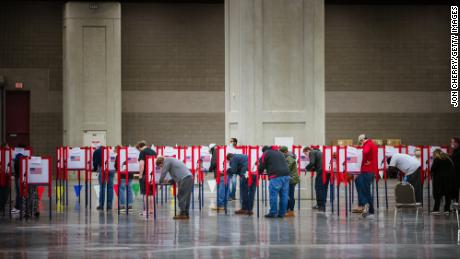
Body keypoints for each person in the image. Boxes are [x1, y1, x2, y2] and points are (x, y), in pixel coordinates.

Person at [258, 146, 290, 218]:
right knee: (284, 195)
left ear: (264, 151)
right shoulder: (279, 152)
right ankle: (282, 213)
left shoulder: (266, 153)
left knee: (273, 195)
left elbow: (261, 165)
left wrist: (259, 171)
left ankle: (273, 213)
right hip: (286, 175)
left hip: (276, 176)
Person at [355, 134, 378, 218]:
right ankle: (370, 210)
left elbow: (365, 151)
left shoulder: (367, 143)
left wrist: (363, 147)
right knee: (365, 189)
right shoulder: (373, 144)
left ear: (362, 140)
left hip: (366, 170)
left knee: (362, 186)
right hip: (371, 170)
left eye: (360, 142)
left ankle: (365, 204)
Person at [430, 149, 456, 215]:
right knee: (448, 195)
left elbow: (433, 169)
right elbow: (452, 169)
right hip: (448, 179)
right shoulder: (449, 159)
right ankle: (447, 209)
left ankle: (436, 209)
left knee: (437, 195)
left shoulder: (437, 159)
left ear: (436, 154)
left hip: (438, 180)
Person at [304, 146, 329, 212]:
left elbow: (312, 163)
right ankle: (323, 203)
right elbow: (317, 163)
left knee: (318, 188)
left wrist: (306, 168)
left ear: (307, 151)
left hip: (321, 172)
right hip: (327, 171)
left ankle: (320, 205)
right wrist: (313, 169)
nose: (306, 156)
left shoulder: (312, 152)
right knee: (324, 188)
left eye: (305, 154)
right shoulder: (319, 152)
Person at [136, 140, 157, 216]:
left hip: (145, 175)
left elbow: (142, 164)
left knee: (145, 193)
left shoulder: (142, 152)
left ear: (139, 147)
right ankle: (152, 210)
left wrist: (140, 174)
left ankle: (146, 210)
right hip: (153, 176)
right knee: (151, 193)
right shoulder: (153, 152)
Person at [93, 145, 114, 211]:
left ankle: (101, 205)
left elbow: (95, 162)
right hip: (111, 169)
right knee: (110, 187)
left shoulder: (97, 151)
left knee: (102, 187)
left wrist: (95, 169)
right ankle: (109, 206)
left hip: (102, 169)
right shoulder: (111, 151)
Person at [280, 146, 300, 217]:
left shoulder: (289, 158)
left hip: (292, 179)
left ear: (285, 152)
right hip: (290, 178)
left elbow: (287, 168)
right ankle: (288, 210)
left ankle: (291, 210)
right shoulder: (288, 157)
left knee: (290, 195)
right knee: (288, 195)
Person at [115, 146, 134, 211]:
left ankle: (122, 205)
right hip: (130, 174)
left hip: (122, 175)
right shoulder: (130, 155)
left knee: (121, 189)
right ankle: (130, 205)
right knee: (129, 189)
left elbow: (116, 166)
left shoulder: (119, 155)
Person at [451, 137, 460, 205]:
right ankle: (456, 203)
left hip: (458, 174)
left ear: (457, 143)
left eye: (453, 142)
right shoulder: (455, 151)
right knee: (455, 190)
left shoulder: (458, 152)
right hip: (455, 174)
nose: (452, 144)